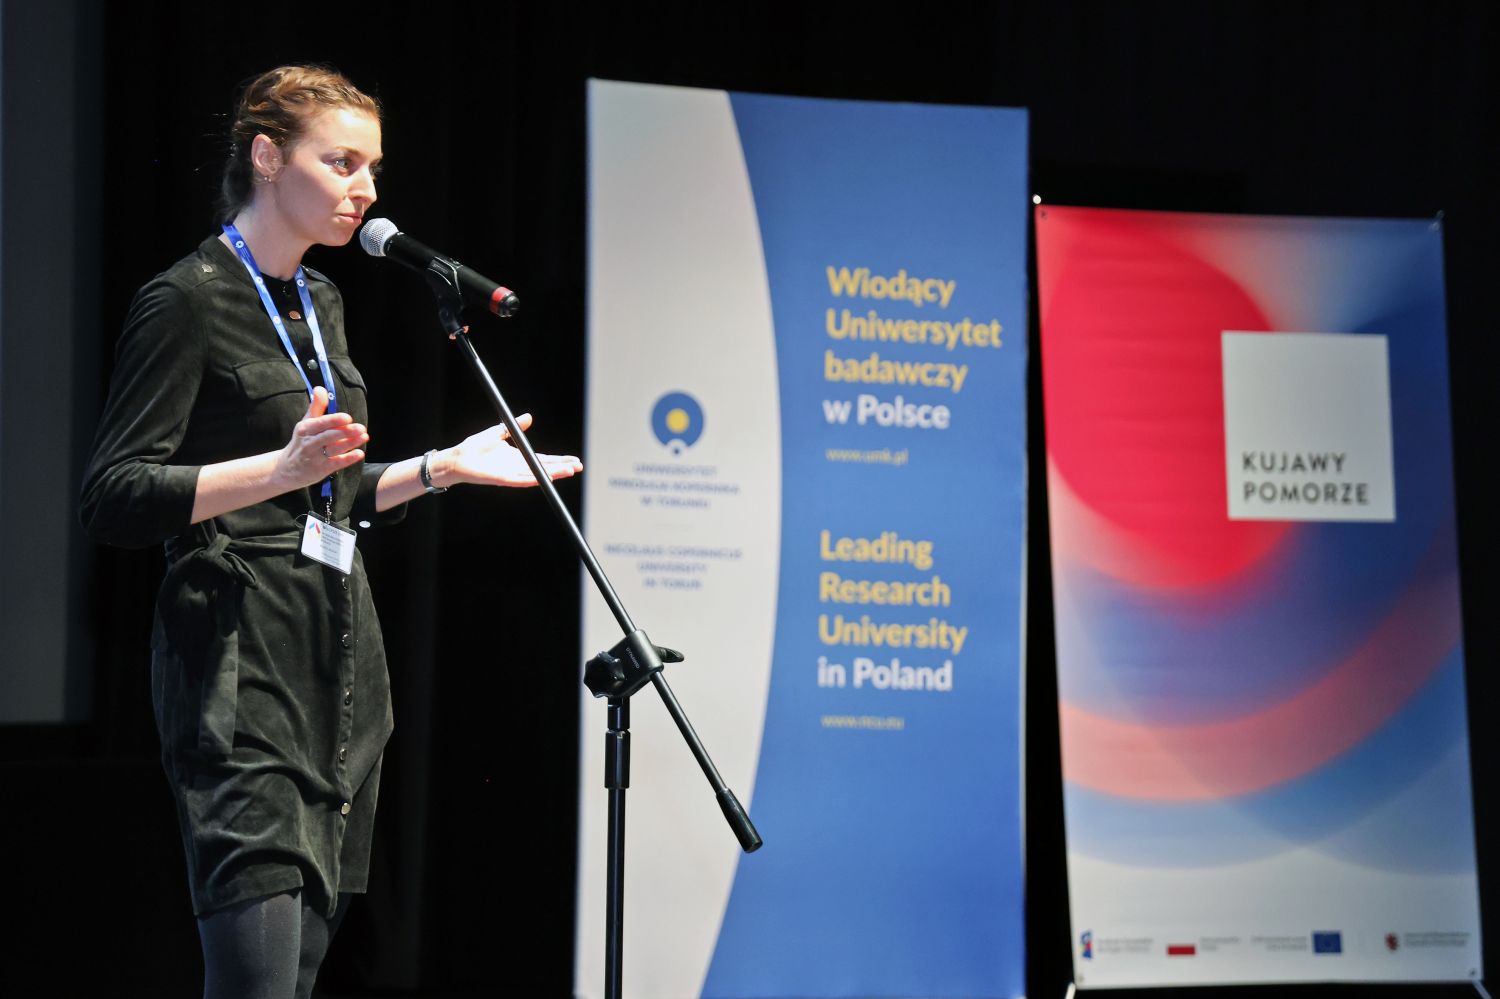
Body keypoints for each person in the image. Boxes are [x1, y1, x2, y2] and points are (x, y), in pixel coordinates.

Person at [79, 65, 581, 999]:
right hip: (239, 673)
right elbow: (113, 495)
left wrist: (441, 467)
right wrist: (275, 471)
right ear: (268, 158)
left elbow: (331, 489)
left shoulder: (323, 299)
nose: (367, 189)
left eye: (373, 168)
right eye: (343, 162)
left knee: (302, 974)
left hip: (340, 677)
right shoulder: (187, 300)